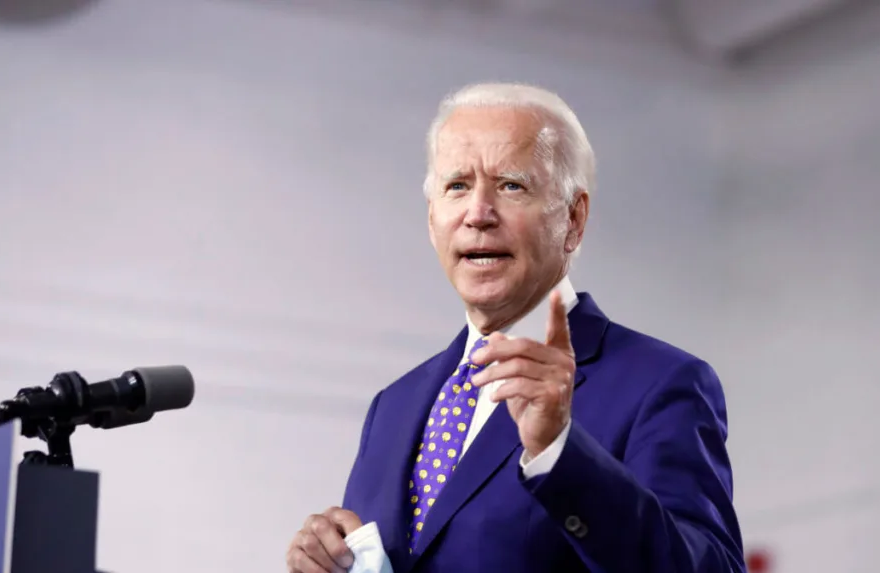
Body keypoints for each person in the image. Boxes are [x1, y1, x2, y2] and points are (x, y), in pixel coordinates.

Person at [286, 82, 745, 573]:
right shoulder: (391, 408)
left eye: (511, 185)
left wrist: (561, 454)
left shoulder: (660, 385)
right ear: (431, 219)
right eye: (457, 186)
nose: (478, 214)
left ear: (573, 219)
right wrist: (329, 560)